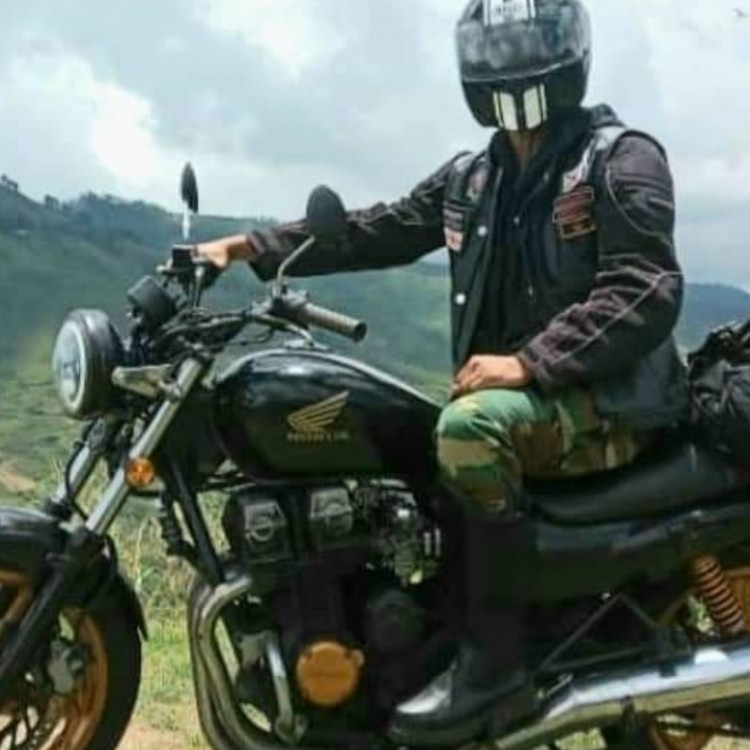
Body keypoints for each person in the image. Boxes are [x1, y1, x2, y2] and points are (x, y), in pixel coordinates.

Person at [197, 0, 687, 744]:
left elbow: (645, 289)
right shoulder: (474, 177)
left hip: (606, 401)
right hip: (530, 401)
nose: (513, 66)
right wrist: (247, 247)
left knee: (466, 432)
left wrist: (530, 363)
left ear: (567, 53)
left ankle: (493, 666)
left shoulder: (619, 159)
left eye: (530, 46)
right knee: (406, 442)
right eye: (497, 50)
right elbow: (376, 228)